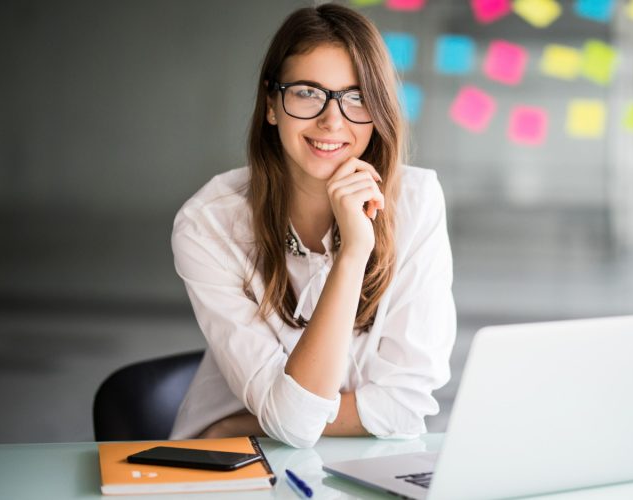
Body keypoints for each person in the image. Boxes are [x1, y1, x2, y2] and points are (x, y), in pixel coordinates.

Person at [169, 4, 455, 448]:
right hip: (236, 464)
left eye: (357, 96)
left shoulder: (416, 202)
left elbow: (407, 405)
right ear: (271, 104)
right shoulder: (210, 224)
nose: (332, 120)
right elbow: (294, 425)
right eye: (307, 92)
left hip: (360, 461)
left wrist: (243, 421)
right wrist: (352, 255)